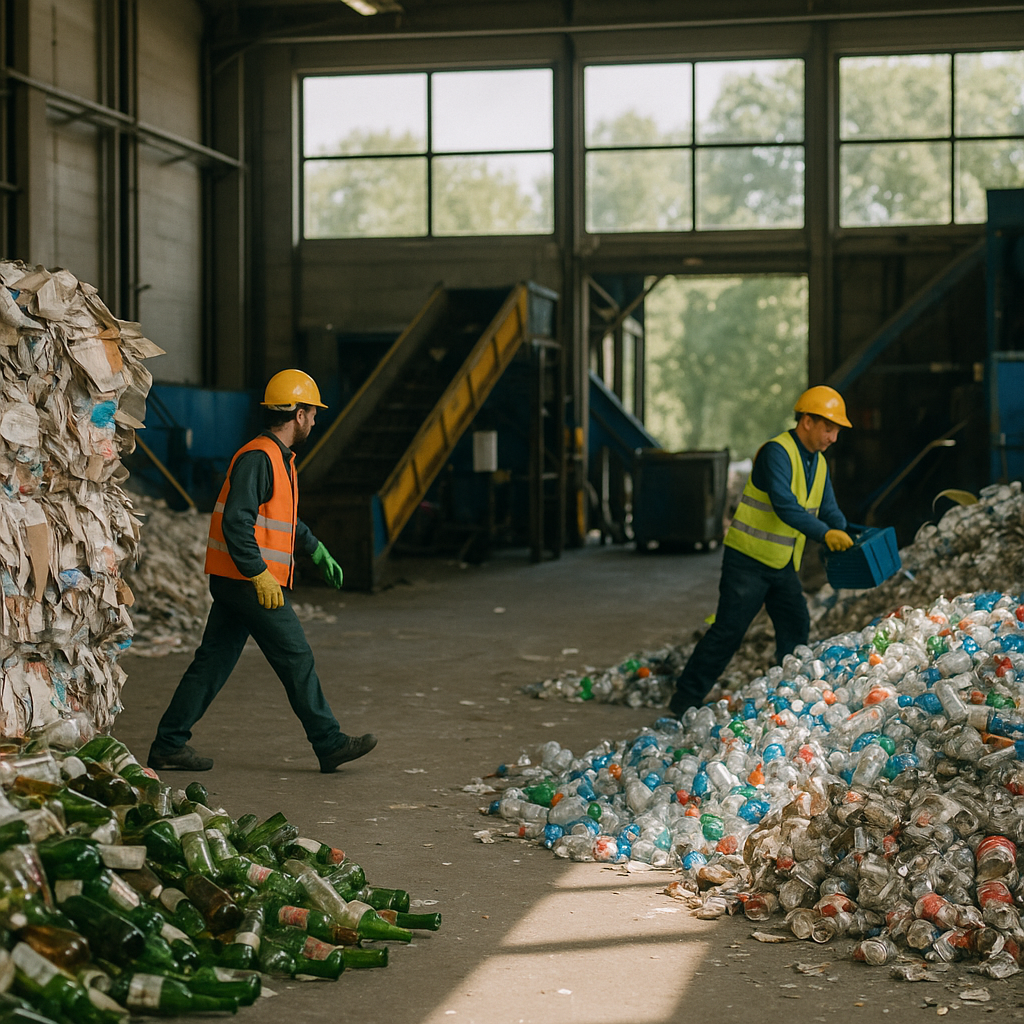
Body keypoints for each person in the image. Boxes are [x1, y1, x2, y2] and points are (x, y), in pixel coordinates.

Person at [147, 370, 378, 774]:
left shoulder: (277, 458)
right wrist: (258, 573)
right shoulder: (260, 458)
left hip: (239, 580)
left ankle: (168, 744)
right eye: (312, 412)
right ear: (299, 414)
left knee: (212, 662)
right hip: (249, 582)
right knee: (296, 656)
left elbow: (283, 520)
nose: (314, 420)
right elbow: (237, 523)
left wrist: (315, 548)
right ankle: (329, 742)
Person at [667, 385, 855, 718]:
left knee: (796, 627)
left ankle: (788, 697)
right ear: (807, 422)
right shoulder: (776, 453)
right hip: (748, 563)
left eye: (837, 430)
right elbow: (785, 505)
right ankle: (684, 700)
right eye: (829, 428)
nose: (833, 437)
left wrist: (847, 534)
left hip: (782, 565)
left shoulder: (820, 464)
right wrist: (826, 536)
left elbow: (829, 508)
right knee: (728, 631)